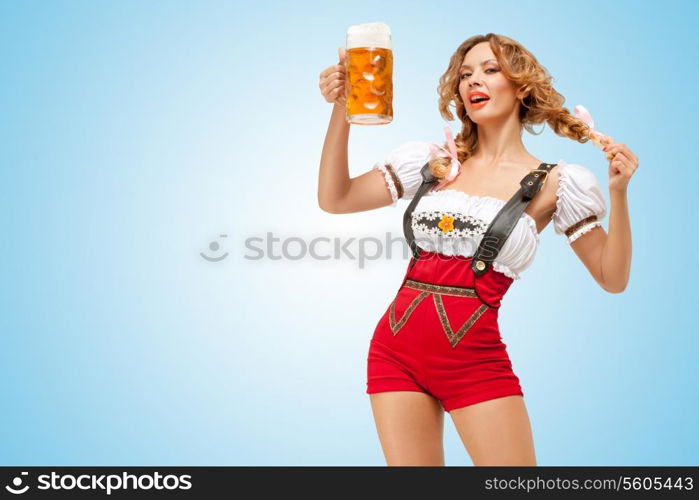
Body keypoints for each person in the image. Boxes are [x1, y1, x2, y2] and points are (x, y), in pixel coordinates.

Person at [317, 33, 638, 466]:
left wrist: (618, 194)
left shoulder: (556, 182)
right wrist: (343, 111)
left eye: (490, 70)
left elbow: (611, 278)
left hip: (474, 363)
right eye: (465, 74)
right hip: (394, 353)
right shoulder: (436, 164)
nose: (473, 82)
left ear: (521, 86)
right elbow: (335, 199)